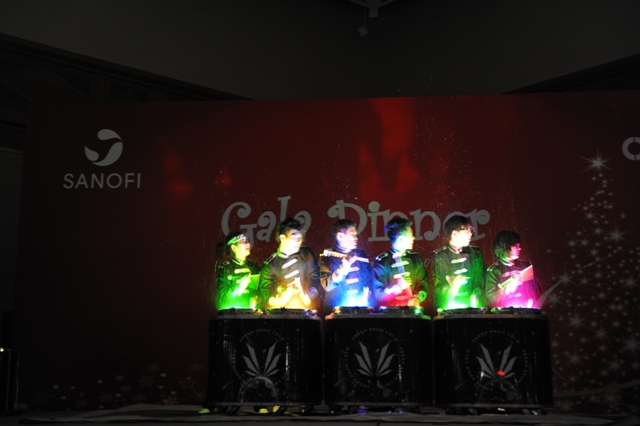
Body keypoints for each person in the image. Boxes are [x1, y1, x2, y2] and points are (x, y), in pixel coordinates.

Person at [259, 217, 323, 311]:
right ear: (282, 238)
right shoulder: (270, 264)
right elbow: (266, 294)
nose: (298, 241)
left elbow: (315, 280)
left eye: (300, 238)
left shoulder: (306, 255)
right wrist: (281, 298)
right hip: (281, 314)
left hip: (305, 312)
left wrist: (308, 295)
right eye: (294, 238)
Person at [431, 215, 485, 311]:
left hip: (472, 310)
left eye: (470, 231)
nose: (470, 234)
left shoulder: (475, 253)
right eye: (467, 231)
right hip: (449, 311)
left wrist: (476, 297)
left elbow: (479, 281)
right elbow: (437, 288)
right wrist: (452, 287)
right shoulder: (440, 256)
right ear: (455, 234)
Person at [319, 219, 374, 312]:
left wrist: (366, 295)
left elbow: (368, 279)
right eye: (352, 234)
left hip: (360, 310)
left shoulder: (361, 254)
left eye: (356, 234)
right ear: (340, 236)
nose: (356, 238)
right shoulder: (327, 257)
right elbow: (327, 285)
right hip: (336, 311)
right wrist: (343, 268)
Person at [372, 217, 427, 308]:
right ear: (401, 238)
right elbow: (378, 294)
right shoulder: (382, 262)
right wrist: (397, 287)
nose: (413, 238)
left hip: (413, 312)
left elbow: (422, 283)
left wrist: (418, 298)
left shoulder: (415, 258)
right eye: (410, 235)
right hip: (391, 313)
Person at [485, 230, 542, 308]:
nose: (519, 248)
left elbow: (537, 289)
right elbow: (491, 298)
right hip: (505, 313)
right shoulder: (494, 271)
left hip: (527, 311)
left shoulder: (525, 266)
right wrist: (506, 289)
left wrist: (534, 302)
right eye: (516, 245)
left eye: (519, 245)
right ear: (505, 247)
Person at [214, 231, 261, 310]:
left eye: (247, 241)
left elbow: (259, 292)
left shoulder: (254, 266)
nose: (248, 244)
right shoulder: (225, 268)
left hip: (252, 312)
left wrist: (257, 299)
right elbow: (223, 296)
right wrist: (239, 288)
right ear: (233, 247)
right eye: (243, 242)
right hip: (233, 314)